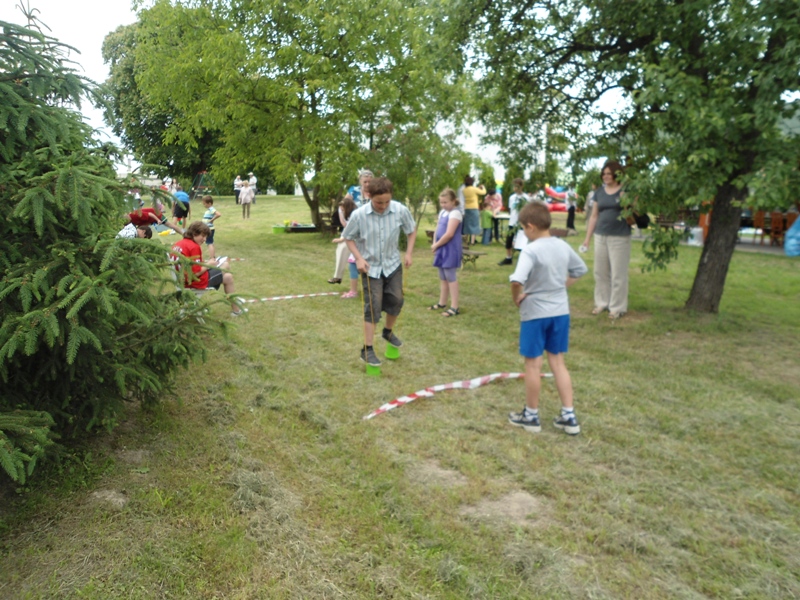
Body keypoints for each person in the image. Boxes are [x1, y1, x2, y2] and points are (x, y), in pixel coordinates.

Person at [507, 201, 588, 435]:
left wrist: (516, 297)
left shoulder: (530, 250)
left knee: (533, 364)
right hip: (560, 313)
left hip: (535, 314)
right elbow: (580, 269)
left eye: (523, 228)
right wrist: (561, 286)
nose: (524, 233)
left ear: (530, 227)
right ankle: (569, 415)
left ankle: (531, 416)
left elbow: (517, 280)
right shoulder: (562, 245)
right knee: (558, 362)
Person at [342, 177, 417, 366]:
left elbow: (411, 230)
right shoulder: (359, 215)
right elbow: (348, 237)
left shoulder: (400, 210)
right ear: (369, 195)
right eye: (378, 202)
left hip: (393, 264)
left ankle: (387, 332)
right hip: (370, 268)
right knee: (373, 307)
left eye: (386, 202)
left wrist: (409, 253)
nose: (383, 206)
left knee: (397, 300)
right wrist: (359, 258)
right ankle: (367, 350)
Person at [580, 160, 631, 320]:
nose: (606, 176)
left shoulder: (624, 191)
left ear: (616, 174)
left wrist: (625, 202)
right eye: (604, 174)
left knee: (618, 274)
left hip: (619, 237)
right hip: (600, 236)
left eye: (609, 174)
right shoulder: (599, 192)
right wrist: (587, 239)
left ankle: (617, 307)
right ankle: (602, 302)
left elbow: (630, 217)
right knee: (600, 272)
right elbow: (594, 216)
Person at [170, 221, 246, 316]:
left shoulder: (178, 244)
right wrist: (208, 264)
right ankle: (235, 306)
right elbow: (195, 274)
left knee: (227, 276)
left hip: (181, 281)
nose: (205, 239)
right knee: (226, 268)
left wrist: (207, 264)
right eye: (203, 236)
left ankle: (236, 306)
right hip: (194, 282)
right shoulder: (193, 247)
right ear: (194, 233)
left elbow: (192, 265)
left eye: (206, 237)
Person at [429, 188, 463, 317]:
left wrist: (437, 244)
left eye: (445, 202)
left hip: (450, 248)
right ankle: (442, 302)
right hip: (441, 247)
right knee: (442, 275)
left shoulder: (455, 213)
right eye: (441, 202)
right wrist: (434, 243)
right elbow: (437, 229)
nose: (443, 205)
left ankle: (455, 307)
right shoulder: (443, 212)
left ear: (453, 201)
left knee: (450, 276)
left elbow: (449, 234)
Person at [498, 178, 528, 265]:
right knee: (508, 241)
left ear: (521, 186)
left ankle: (523, 259)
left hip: (522, 223)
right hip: (512, 223)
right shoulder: (512, 197)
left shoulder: (526, 198)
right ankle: (508, 258)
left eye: (517, 186)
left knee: (522, 243)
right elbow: (511, 210)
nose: (515, 188)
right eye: (514, 186)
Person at [328, 196, 357, 286]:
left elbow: (353, 230)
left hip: (357, 237)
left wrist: (341, 239)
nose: (342, 211)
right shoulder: (342, 211)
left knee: (344, 246)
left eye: (343, 210)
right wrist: (342, 238)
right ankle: (337, 277)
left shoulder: (356, 214)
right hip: (347, 233)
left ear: (348, 208)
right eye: (341, 209)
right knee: (341, 249)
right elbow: (345, 225)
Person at [461, 176, 486, 245]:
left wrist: (477, 188)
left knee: (467, 224)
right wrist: (483, 187)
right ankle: (472, 241)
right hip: (474, 208)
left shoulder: (464, 190)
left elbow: (472, 191)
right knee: (474, 224)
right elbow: (483, 192)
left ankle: (466, 240)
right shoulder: (474, 189)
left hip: (467, 208)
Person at [201, 195, 222, 261]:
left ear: (209, 203)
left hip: (209, 229)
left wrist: (212, 220)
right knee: (209, 242)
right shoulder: (209, 209)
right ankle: (213, 257)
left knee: (209, 243)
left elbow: (218, 214)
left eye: (205, 204)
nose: (204, 205)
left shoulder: (211, 209)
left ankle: (212, 257)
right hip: (208, 229)